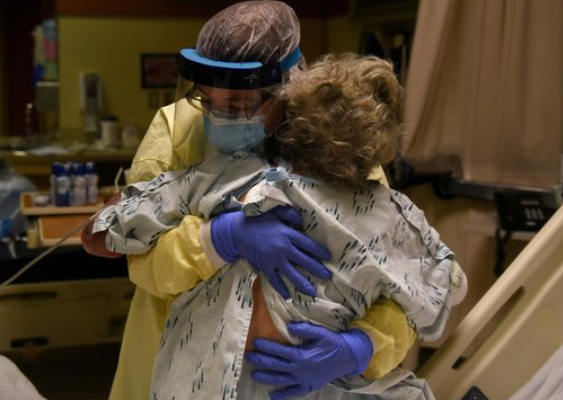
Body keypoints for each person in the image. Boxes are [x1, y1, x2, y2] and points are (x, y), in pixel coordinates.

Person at [82, 2, 435, 399]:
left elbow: (405, 277)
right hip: (184, 367)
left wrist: (362, 347)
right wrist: (217, 238)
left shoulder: (342, 145)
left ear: (287, 88)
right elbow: (138, 257)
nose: (218, 117)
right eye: (207, 100)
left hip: (303, 382)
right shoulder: (178, 132)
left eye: (237, 105)